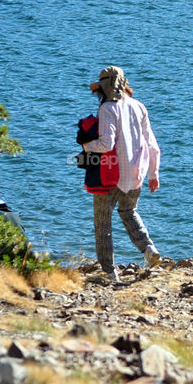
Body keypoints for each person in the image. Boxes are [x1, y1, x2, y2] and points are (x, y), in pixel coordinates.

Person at [78, 65, 161, 281]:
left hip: (109, 175)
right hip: (136, 173)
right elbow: (152, 144)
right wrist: (153, 173)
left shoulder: (107, 108)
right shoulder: (139, 106)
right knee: (129, 211)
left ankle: (109, 272)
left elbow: (106, 144)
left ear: (104, 88)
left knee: (103, 223)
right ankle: (149, 249)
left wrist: (86, 146)